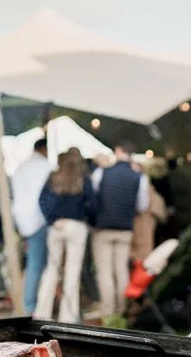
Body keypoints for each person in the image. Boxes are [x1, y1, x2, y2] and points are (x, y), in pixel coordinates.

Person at [89, 140, 150, 317]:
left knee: (104, 272)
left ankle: (109, 313)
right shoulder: (139, 177)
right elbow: (142, 205)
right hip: (125, 228)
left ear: (117, 151)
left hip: (103, 228)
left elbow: (93, 200)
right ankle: (123, 310)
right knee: (121, 270)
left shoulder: (102, 172)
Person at [35, 150, 95, 322]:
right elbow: (92, 205)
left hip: (56, 226)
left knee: (51, 269)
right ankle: (68, 316)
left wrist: (52, 219)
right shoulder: (83, 178)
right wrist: (87, 219)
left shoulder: (54, 176)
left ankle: (42, 313)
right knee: (72, 271)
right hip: (76, 226)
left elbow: (42, 201)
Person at [10, 137, 54, 314]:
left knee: (32, 261)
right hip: (40, 219)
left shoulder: (20, 167)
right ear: (44, 149)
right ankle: (30, 305)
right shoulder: (47, 166)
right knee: (37, 263)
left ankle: (30, 302)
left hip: (22, 219)